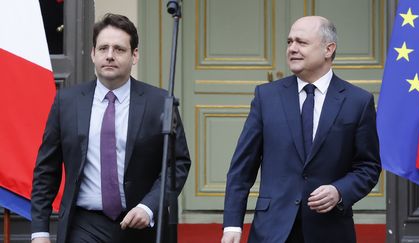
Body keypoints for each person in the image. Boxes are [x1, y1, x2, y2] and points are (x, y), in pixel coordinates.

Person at [31, 13, 191, 243]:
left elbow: (178, 164)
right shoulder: (67, 102)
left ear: (134, 55)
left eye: (119, 49)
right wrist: (40, 231)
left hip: (141, 223)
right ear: (93, 53)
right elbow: (46, 170)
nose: (109, 56)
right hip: (84, 224)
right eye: (103, 48)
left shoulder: (159, 103)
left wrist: (149, 207)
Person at [221, 16, 381, 243]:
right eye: (289, 42)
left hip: (330, 229)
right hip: (272, 230)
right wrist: (232, 224)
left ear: (329, 49)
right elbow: (242, 168)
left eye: (301, 42)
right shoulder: (266, 97)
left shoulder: (358, 101)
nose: (292, 49)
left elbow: (368, 167)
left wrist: (339, 191)